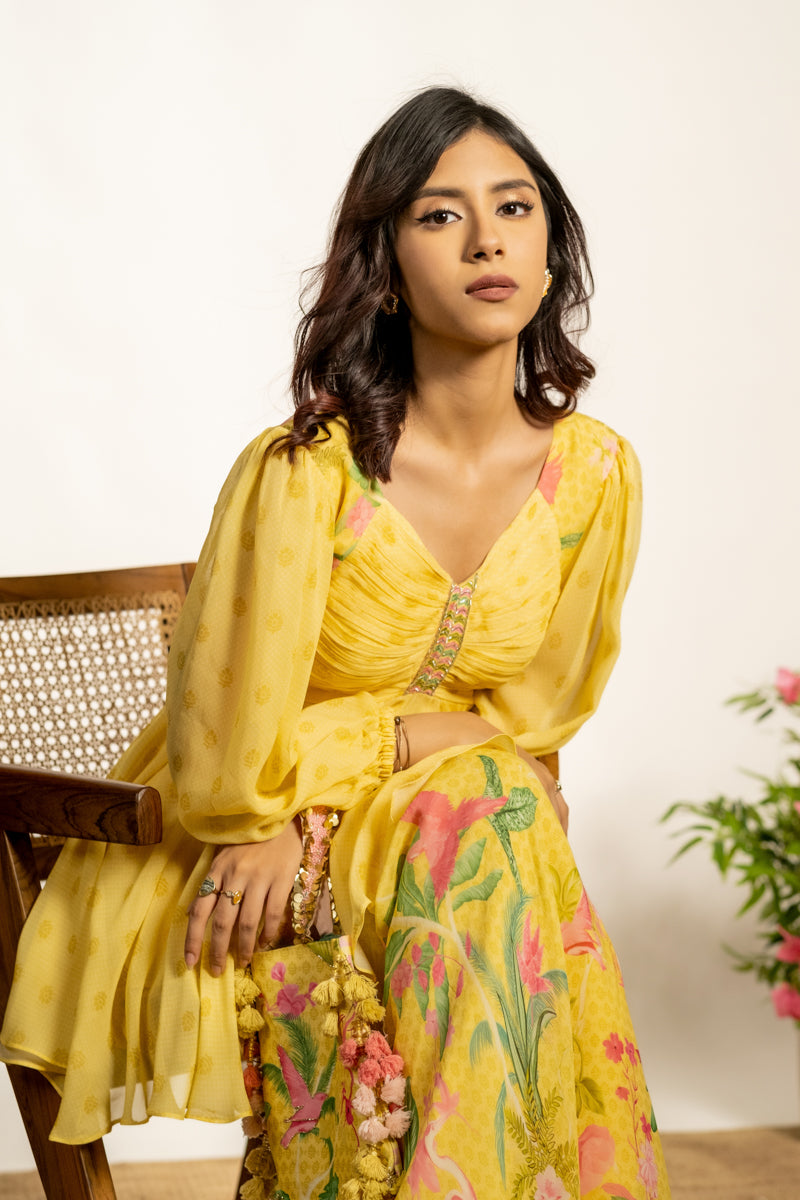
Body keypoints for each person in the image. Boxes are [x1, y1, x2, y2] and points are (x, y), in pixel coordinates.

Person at [1, 87, 671, 1200]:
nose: (487, 238)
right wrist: (364, 771)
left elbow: (528, 728)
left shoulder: (594, 474)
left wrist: (453, 754)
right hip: (245, 837)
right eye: (440, 214)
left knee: (490, 811)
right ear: (386, 267)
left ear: (551, 251)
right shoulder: (305, 471)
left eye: (513, 207)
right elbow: (233, 754)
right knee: (493, 814)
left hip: (456, 827)